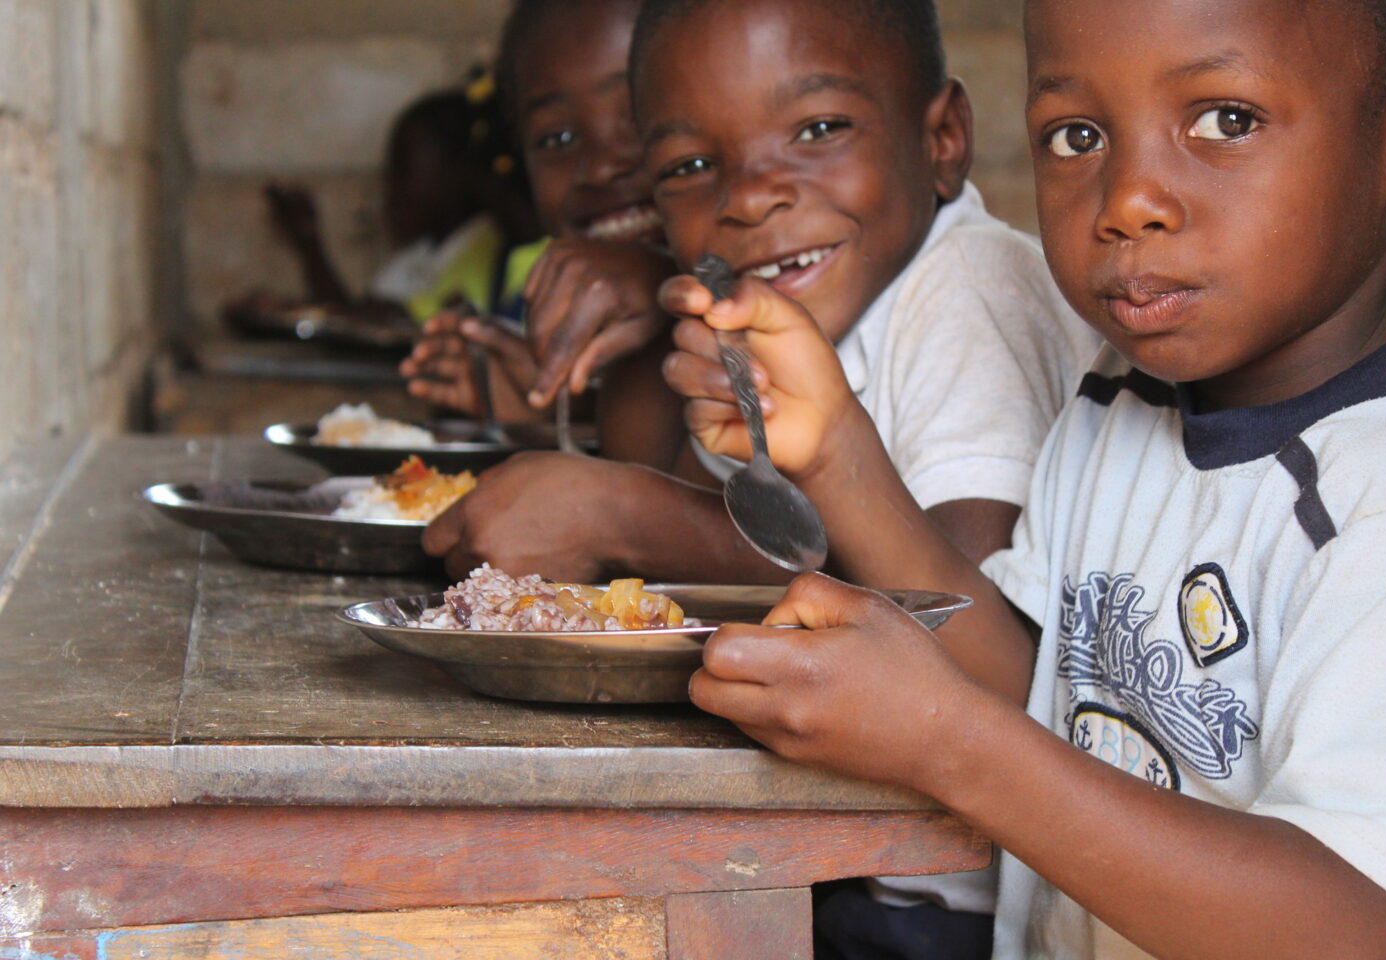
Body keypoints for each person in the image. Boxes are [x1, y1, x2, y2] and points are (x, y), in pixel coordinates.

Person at [665, 0, 1386, 957]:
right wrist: (833, 453)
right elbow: (1038, 683)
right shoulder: (1124, 402)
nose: (1127, 200)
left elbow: (1355, 930)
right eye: (1077, 136)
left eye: (1225, 121)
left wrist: (949, 744)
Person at [423, 0, 1098, 597]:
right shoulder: (762, 307)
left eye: (818, 129)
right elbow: (683, 487)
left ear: (943, 139)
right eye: (690, 167)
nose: (747, 196)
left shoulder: (975, 293)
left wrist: (625, 518)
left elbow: (961, 621)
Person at [398, 0, 684, 459]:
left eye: (638, 110)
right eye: (558, 139)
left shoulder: (804, 292)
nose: (603, 166)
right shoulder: (558, 297)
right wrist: (545, 411)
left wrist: (666, 287)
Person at [226, 73, 540, 348]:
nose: (390, 189)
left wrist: (297, 311)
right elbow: (359, 321)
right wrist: (308, 246)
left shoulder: (485, 247)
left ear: (461, 171)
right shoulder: (424, 254)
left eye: (402, 170)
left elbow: (394, 323)